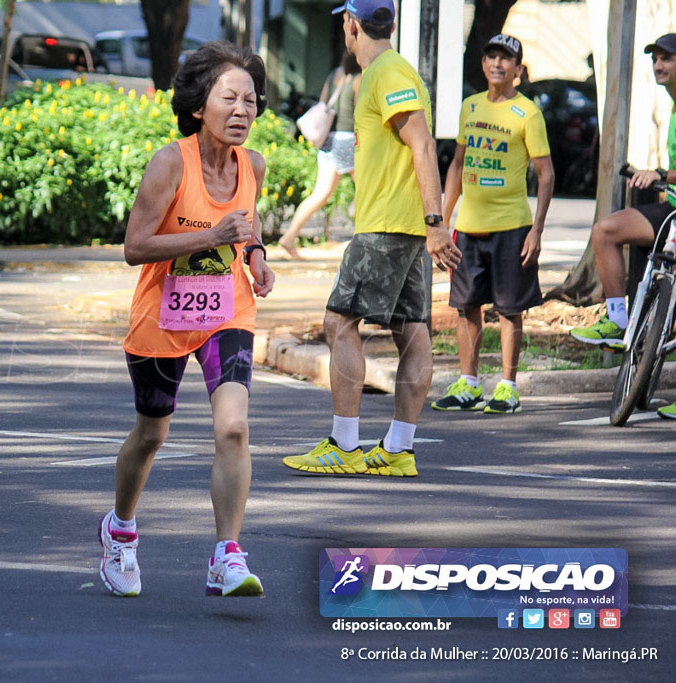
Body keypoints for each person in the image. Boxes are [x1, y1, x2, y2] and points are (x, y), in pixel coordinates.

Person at [97, 41, 275, 598]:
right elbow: (135, 246)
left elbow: (249, 227)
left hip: (227, 310)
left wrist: (256, 256)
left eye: (251, 99)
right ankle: (120, 531)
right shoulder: (170, 163)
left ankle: (227, 554)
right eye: (230, 98)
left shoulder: (254, 166)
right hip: (163, 315)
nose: (243, 110)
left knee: (234, 427)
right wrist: (211, 236)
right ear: (200, 105)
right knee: (151, 434)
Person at [282, 0, 460, 478]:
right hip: (405, 225)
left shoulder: (387, 72)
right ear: (393, 24)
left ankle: (344, 444)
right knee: (411, 330)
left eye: (344, 20)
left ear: (351, 24)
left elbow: (422, 143)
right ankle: (398, 449)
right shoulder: (388, 71)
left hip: (388, 224)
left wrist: (436, 220)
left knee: (339, 322)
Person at [432, 34, 554, 415]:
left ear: (518, 70)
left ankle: (507, 386)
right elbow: (457, 163)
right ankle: (468, 383)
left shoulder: (527, 114)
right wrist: (442, 218)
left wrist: (537, 229)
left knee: (508, 310)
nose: (498, 64)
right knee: (465, 306)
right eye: (491, 57)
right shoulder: (470, 107)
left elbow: (545, 174)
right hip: (468, 228)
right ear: (483, 64)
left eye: (506, 59)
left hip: (512, 227)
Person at [569, 33, 676, 420]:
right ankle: (618, 318)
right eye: (656, 60)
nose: (659, 66)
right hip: (672, 211)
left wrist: (662, 173)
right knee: (605, 231)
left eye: (667, 59)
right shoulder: (672, 108)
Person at [279, 53, 361, 259]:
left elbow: (323, 103)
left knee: (320, 194)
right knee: (365, 192)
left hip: (328, 139)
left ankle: (289, 237)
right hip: (348, 139)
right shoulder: (359, 77)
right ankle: (363, 241)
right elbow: (362, 112)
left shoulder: (335, 74)